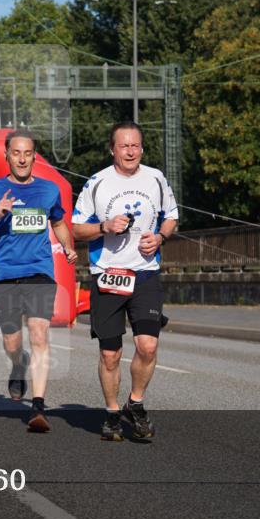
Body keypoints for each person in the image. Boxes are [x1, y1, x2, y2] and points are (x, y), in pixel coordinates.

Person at [71, 122, 179, 442]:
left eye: (135, 146)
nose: (130, 152)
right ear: (112, 150)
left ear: (141, 148)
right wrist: (103, 226)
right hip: (108, 275)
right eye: (123, 146)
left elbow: (171, 217)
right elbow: (76, 229)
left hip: (145, 273)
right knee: (111, 354)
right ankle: (112, 413)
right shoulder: (97, 183)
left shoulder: (156, 178)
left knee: (148, 346)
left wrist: (160, 237)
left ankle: (136, 403)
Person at [0, 130, 77, 432]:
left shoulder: (49, 189)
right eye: (16, 153)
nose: (22, 159)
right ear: (7, 155)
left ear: (34, 156)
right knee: (11, 341)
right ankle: (18, 363)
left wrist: (68, 246)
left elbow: (58, 221)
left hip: (39, 272)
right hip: (4, 274)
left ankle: (38, 407)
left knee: (39, 334)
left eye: (27, 153)